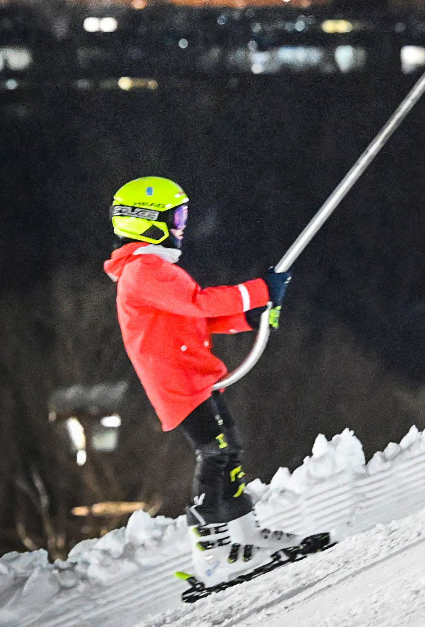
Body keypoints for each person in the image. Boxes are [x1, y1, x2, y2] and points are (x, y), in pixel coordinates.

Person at [104, 176, 297, 586]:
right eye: (177, 216)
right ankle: (209, 543)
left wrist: (253, 316)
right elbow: (200, 302)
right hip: (177, 383)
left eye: (183, 215)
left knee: (228, 449)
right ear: (145, 220)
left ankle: (245, 536)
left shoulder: (155, 268)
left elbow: (201, 317)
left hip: (195, 377)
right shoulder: (142, 271)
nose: (182, 225)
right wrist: (260, 290)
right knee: (215, 451)